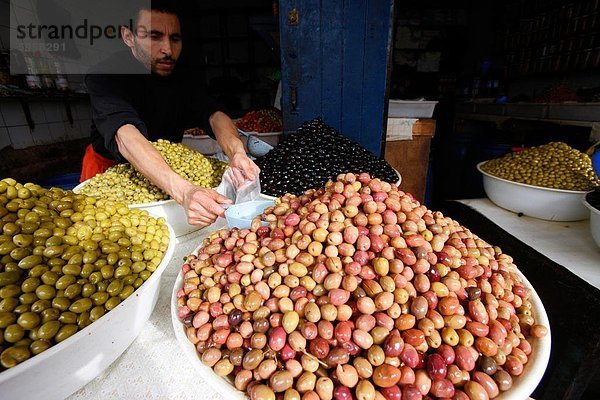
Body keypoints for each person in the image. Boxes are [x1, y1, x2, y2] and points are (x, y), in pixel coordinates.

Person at [81, 1, 259, 227]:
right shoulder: (105, 75)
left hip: (169, 171)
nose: (168, 49)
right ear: (128, 37)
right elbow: (124, 134)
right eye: (155, 37)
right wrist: (185, 191)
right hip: (110, 168)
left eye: (175, 38)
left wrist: (237, 152)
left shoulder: (181, 76)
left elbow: (214, 115)